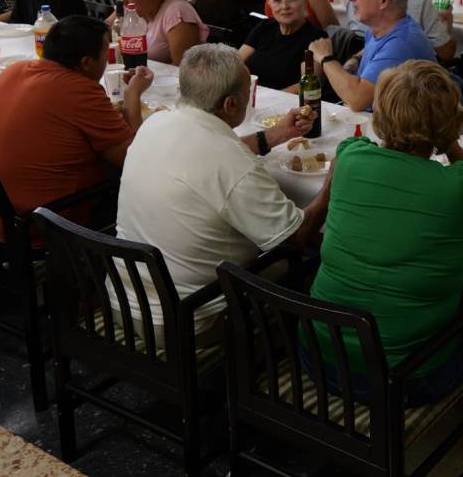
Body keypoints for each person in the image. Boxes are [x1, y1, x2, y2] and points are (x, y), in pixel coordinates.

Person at [310, 61, 463, 402]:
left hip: (316, 355)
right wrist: (450, 144)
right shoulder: (462, 185)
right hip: (399, 380)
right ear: (451, 123)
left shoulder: (350, 156)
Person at [115, 44, 326, 346]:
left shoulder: (155, 125)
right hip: (187, 320)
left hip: (122, 298)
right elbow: (297, 235)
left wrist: (275, 135)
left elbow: (211, 152)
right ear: (230, 105)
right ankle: (288, 360)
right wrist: (335, 181)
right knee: (311, 264)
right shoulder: (230, 162)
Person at [0, 15, 150, 228]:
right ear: (86, 62)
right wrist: (133, 96)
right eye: (106, 55)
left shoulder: (13, 71)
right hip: (40, 224)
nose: (106, 62)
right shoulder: (79, 91)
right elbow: (136, 161)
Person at [308, 0, 435, 112]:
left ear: (383, 1)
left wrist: (325, 58)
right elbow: (374, 49)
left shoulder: (400, 45)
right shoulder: (382, 27)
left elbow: (357, 100)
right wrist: (356, 59)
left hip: (403, 130)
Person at [239, 0, 330, 91]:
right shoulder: (264, 27)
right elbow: (236, 62)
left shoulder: (317, 39)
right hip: (250, 96)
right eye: (277, 0)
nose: (284, 6)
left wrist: (269, 99)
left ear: (305, 0)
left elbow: (307, 86)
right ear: (269, 4)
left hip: (285, 104)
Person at [115, 0, 208, 64]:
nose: (123, 1)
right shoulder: (129, 9)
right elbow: (102, 37)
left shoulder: (177, 12)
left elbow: (182, 68)